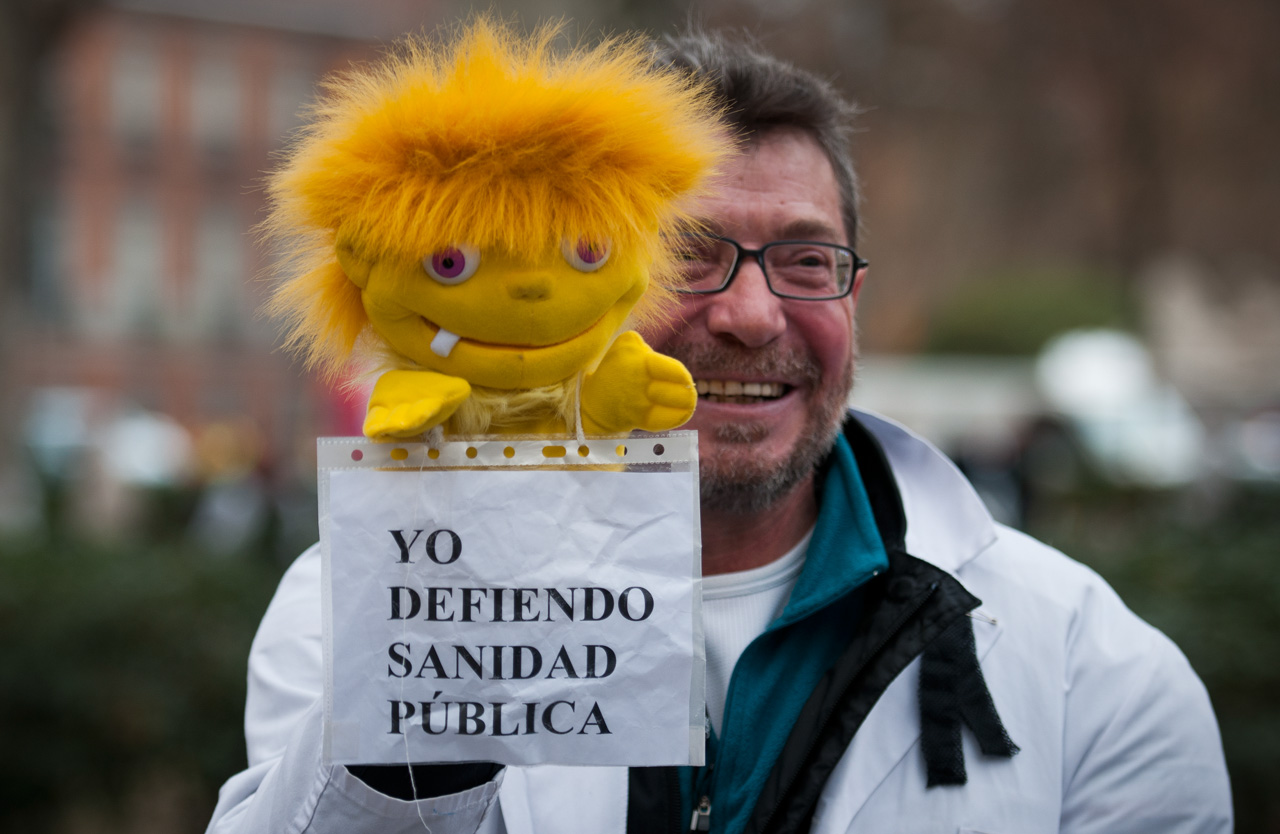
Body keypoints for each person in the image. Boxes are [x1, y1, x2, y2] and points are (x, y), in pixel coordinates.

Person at [207, 29, 1232, 834]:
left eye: (804, 262)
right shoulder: (362, 598)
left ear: (855, 295)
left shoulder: (1082, 660)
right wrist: (431, 696)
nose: (751, 317)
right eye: (685, 256)